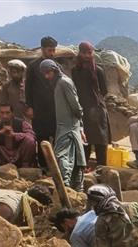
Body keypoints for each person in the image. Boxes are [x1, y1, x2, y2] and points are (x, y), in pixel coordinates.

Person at [40, 59, 86, 191]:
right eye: (45, 74)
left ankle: (68, 187)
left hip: (69, 126)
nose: (47, 76)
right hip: (66, 126)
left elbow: (75, 106)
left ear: (54, 70)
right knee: (74, 156)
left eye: (48, 73)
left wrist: (79, 124)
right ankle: (73, 189)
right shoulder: (59, 83)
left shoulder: (64, 82)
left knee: (63, 155)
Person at [72, 41, 112, 166]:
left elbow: (104, 91)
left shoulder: (98, 70)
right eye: (84, 53)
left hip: (98, 112)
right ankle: (82, 173)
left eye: (89, 53)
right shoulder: (75, 71)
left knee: (101, 144)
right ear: (80, 53)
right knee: (85, 143)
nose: (87, 56)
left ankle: (101, 171)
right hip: (83, 112)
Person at [0, 102, 37, 168]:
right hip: (3, 154)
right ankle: (1, 163)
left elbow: (32, 135)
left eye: (7, 113)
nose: (4, 116)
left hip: (19, 153)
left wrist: (14, 135)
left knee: (30, 140)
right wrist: (0, 132)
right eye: (2, 113)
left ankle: (25, 165)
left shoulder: (22, 123)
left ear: (12, 113)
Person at [25, 36, 59, 145]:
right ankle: (41, 162)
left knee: (57, 139)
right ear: (42, 49)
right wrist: (30, 106)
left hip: (55, 110)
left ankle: (55, 162)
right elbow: (28, 88)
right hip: (39, 110)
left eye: (54, 50)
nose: (52, 53)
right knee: (41, 139)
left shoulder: (58, 68)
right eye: (50, 50)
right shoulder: (33, 66)